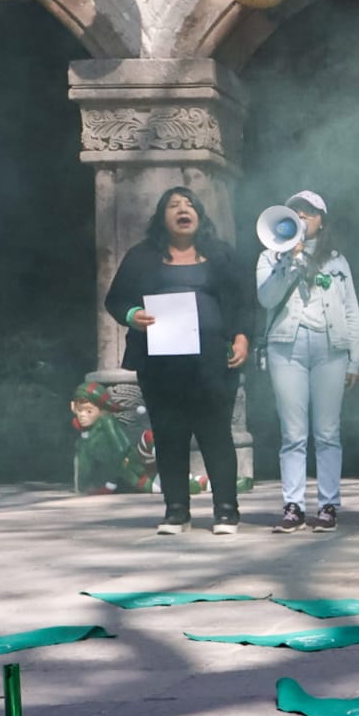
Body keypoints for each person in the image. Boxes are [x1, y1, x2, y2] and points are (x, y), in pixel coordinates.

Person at [103, 186, 249, 535]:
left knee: (216, 434)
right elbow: (116, 300)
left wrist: (242, 337)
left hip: (212, 361)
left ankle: (226, 510)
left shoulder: (221, 256)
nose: (183, 210)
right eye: (174, 205)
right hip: (161, 364)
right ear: (162, 217)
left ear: (200, 215)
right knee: (169, 434)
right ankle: (176, 511)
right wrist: (133, 314)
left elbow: (243, 302)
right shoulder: (142, 256)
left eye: (190, 205)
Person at [255, 190, 359, 534]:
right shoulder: (270, 256)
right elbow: (266, 298)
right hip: (287, 347)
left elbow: (351, 311)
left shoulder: (338, 261)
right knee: (293, 433)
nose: (302, 216)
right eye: (296, 211)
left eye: (309, 212)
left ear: (321, 221)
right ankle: (293, 505)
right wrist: (290, 261)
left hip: (331, 347)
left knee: (328, 432)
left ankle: (328, 504)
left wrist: (355, 362)